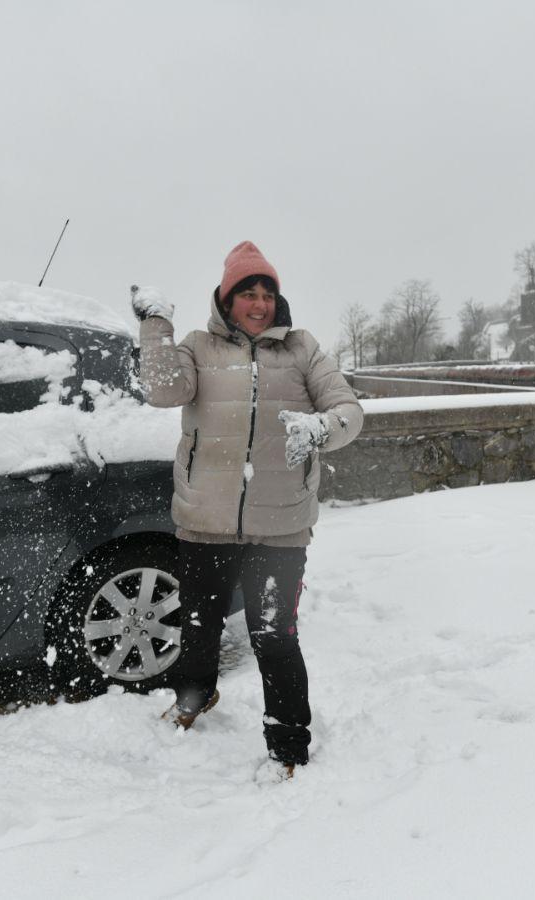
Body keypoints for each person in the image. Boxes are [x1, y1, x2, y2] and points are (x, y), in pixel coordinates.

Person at [131, 240, 363, 780]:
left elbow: (348, 412)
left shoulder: (302, 350)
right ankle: (193, 696)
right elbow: (163, 392)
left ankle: (287, 741)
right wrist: (155, 327)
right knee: (198, 625)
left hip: (280, 527)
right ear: (227, 298)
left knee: (273, 638)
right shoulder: (196, 347)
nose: (258, 304)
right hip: (205, 521)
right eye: (247, 293)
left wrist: (321, 429)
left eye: (266, 293)